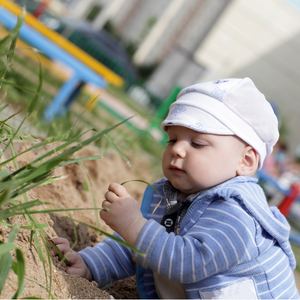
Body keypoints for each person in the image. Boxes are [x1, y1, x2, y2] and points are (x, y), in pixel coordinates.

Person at [52, 78, 299, 299]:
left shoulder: (238, 216)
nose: (177, 150)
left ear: (245, 161)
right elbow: (136, 248)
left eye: (198, 143)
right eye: (172, 139)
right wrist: (90, 264)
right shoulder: (172, 195)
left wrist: (132, 226)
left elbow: (188, 262)